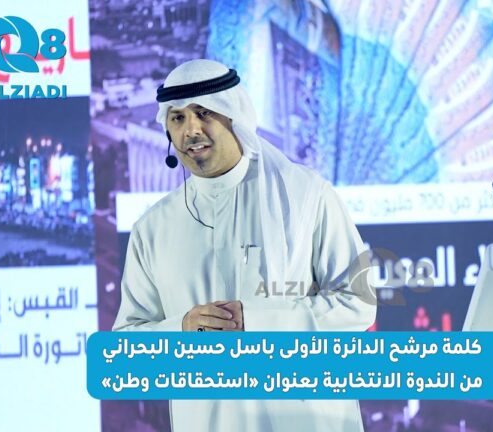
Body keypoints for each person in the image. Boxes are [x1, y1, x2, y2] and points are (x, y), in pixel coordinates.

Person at [113, 59, 377, 431]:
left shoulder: (306, 195)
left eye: (204, 113)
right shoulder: (153, 229)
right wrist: (181, 330)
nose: (191, 130)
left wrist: (255, 322)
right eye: (178, 118)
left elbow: (358, 303)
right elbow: (126, 353)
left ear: (233, 115)